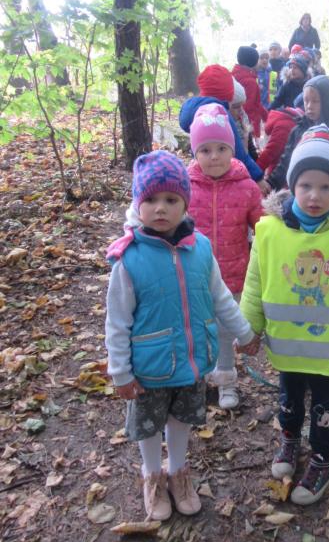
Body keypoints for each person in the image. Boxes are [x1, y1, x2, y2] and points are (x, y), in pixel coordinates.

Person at [105, 151, 259, 520]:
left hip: (191, 360)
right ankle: (152, 475)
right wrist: (120, 372)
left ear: (185, 203)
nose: (161, 208)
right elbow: (117, 321)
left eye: (171, 199)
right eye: (151, 199)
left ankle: (177, 471)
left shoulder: (200, 249)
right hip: (149, 366)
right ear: (137, 203)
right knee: (149, 424)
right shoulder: (129, 259)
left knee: (180, 419)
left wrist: (244, 333)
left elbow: (220, 297)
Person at [240, 125, 329, 505]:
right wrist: (249, 329)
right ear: (292, 185)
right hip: (288, 346)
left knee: (326, 406)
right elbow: (255, 281)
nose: (315, 196)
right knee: (289, 398)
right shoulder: (269, 231)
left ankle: (322, 457)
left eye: (325, 187)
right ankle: (289, 440)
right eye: (306, 185)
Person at [188, 104, 263, 410]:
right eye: (205, 150)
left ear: (232, 149)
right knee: (195, 330)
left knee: (224, 330)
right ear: (195, 152)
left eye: (221, 148)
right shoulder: (184, 187)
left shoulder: (246, 187)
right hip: (193, 275)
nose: (214, 156)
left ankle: (227, 381)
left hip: (233, 274)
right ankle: (196, 381)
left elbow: (262, 227)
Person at [178, 64, 269, 194]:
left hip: (200, 175)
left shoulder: (195, 110)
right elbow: (239, 151)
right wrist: (258, 178)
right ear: (226, 95)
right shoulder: (220, 114)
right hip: (224, 177)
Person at [267, 75, 329, 192]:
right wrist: (270, 184)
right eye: (306, 101)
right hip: (303, 191)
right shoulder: (298, 130)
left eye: (315, 101)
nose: (309, 106)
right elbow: (286, 162)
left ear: (328, 102)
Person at [257, 105, 304, 177]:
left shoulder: (282, 124)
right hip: (282, 170)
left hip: (282, 169)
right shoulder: (285, 125)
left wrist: (255, 172)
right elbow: (271, 151)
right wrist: (255, 174)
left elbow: (270, 151)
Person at [232, 46, 268, 139]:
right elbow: (250, 106)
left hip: (237, 121)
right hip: (249, 124)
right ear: (252, 62)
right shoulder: (250, 82)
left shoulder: (234, 75)